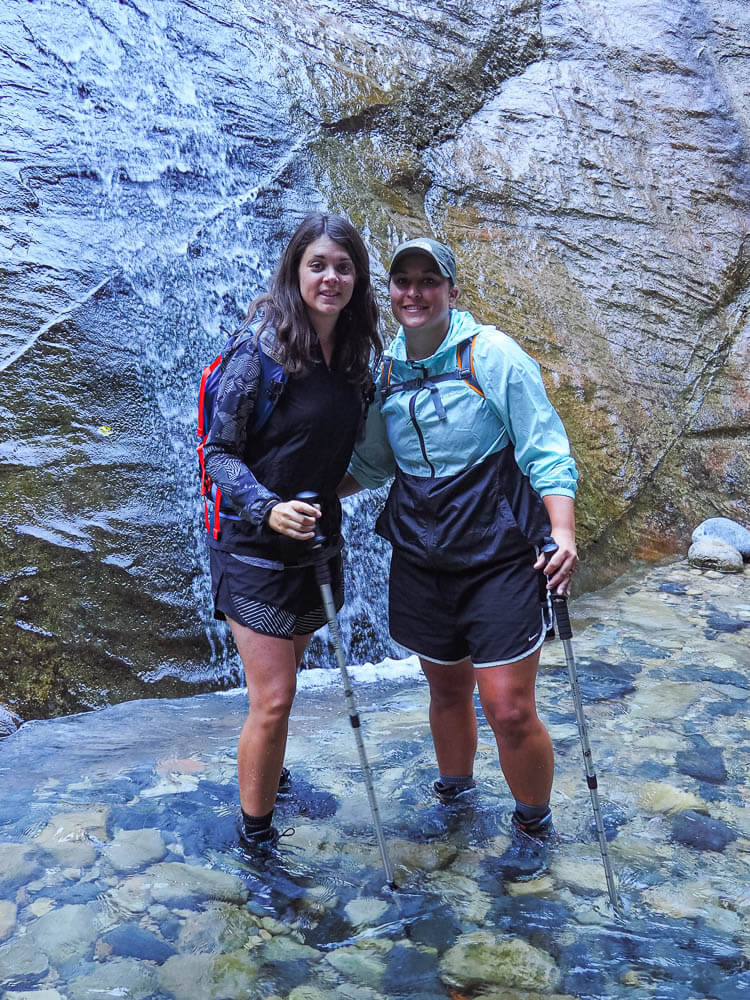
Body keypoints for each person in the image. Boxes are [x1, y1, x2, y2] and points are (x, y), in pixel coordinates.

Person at [339, 237, 578, 872]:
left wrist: (565, 534)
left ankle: (532, 823)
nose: (413, 293)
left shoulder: (494, 356)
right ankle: (457, 796)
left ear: (451, 290)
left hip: (500, 553)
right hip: (421, 553)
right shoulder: (383, 373)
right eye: (402, 281)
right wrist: (293, 492)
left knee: (508, 704)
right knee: (444, 687)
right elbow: (370, 466)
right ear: (388, 293)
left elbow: (545, 450)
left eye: (428, 281)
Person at [202, 212, 382, 852]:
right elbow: (218, 453)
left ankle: (270, 780)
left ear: (357, 278)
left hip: (315, 543)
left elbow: (350, 453)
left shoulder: (359, 358)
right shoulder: (259, 351)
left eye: (343, 266)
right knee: (274, 698)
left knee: (288, 680)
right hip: (252, 544)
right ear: (295, 271)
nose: (330, 277)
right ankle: (255, 842)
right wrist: (266, 506)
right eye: (318, 265)